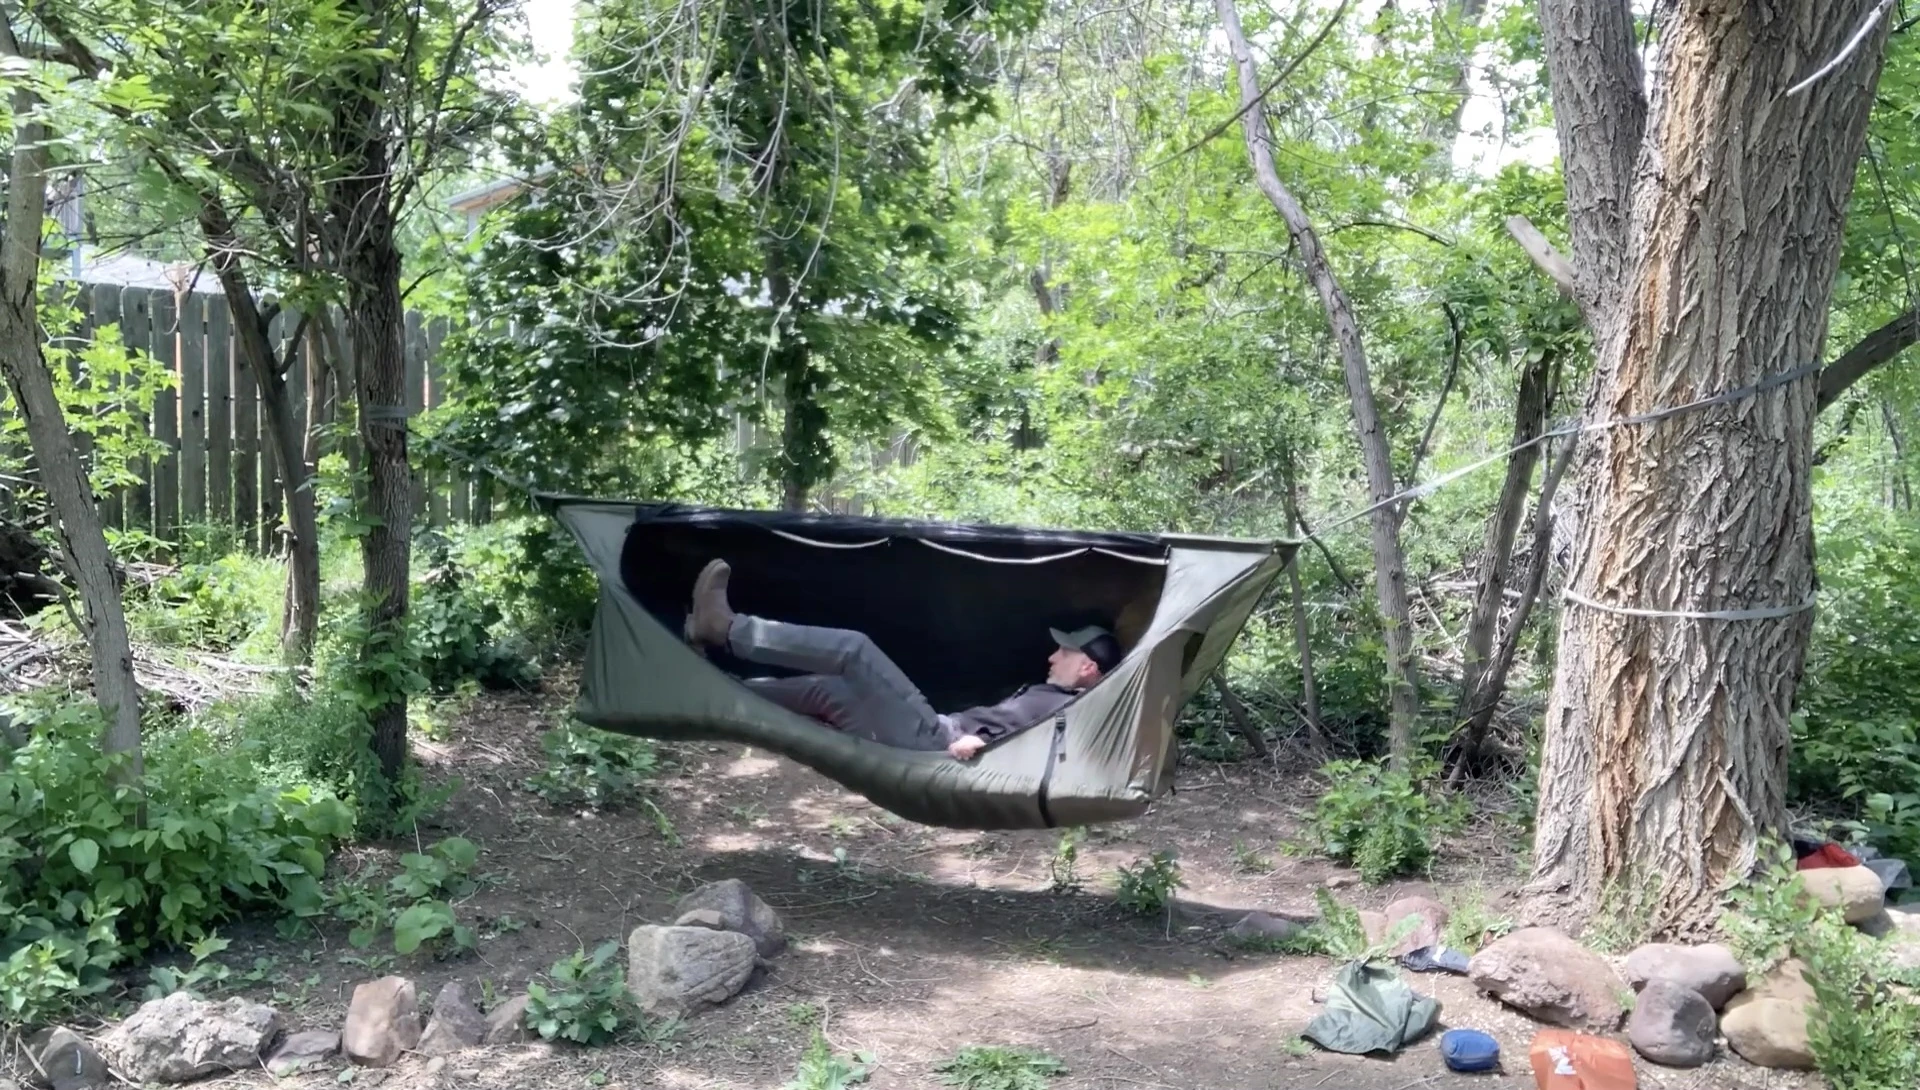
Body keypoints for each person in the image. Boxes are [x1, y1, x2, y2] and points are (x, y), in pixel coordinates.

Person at [682, 559, 1122, 760]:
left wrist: (986, 747)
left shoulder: (1072, 711)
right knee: (828, 688)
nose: (1052, 655)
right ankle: (713, 688)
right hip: (935, 730)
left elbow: (1049, 754)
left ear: (1088, 667)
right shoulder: (1053, 695)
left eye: (1064, 650)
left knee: (854, 650)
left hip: (934, 741)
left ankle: (725, 629)